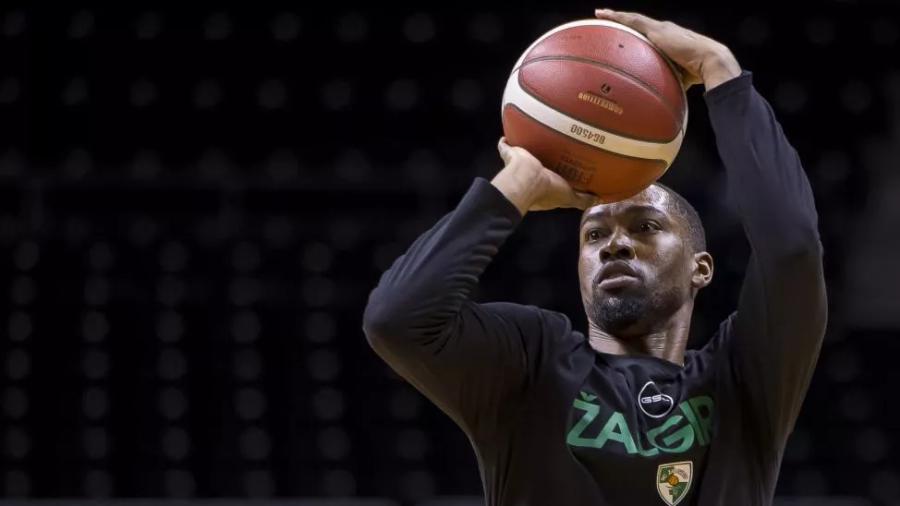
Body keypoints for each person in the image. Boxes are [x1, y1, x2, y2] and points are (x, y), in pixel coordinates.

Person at [362, 8, 827, 506]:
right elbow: (396, 320)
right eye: (594, 234)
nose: (614, 244)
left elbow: (793, 248)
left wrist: (719, 68)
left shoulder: (741, 375)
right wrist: (514, 188)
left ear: (701, 267)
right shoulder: (533, 361)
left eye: (646, 226)